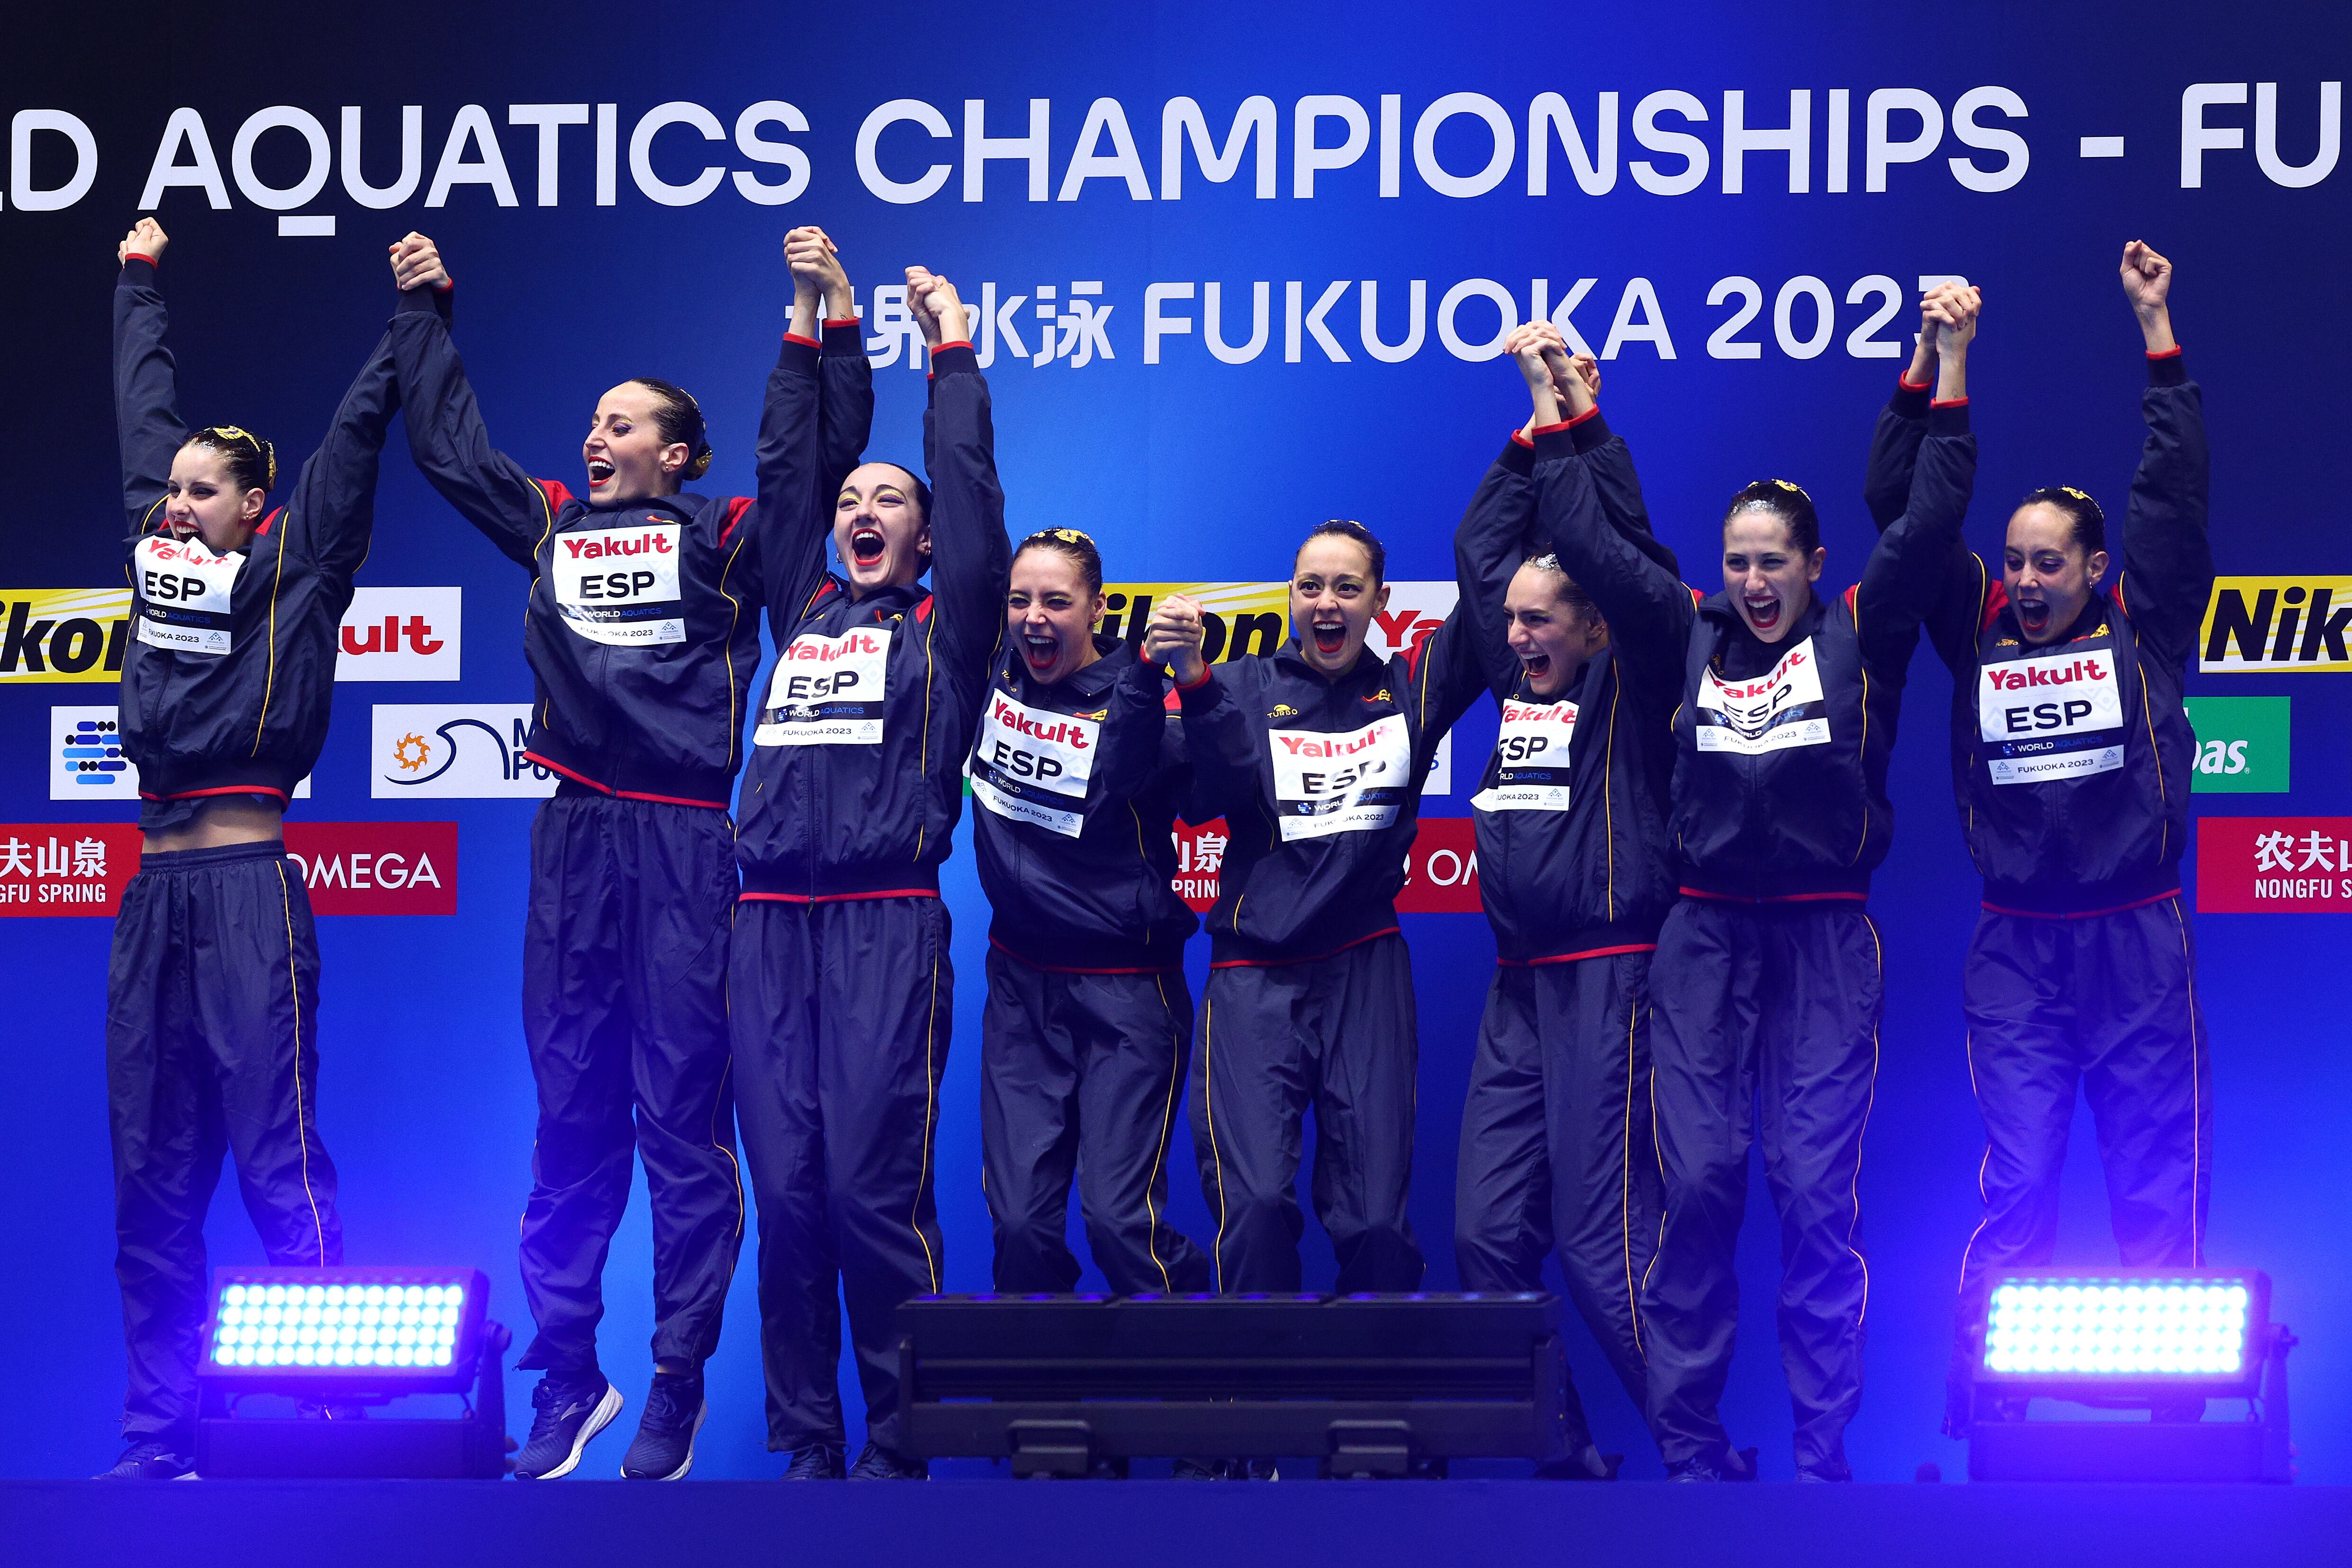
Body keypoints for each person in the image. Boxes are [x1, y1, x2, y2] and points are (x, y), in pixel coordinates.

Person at [384, 225, 867, 1480]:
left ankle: (675, 1379)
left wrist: (813, 327)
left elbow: (812, 458)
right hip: (573, 843)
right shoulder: (549, 522)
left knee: (680, 1126)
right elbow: (446, 448)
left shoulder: (728, 532)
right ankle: (564, 1377)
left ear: (677, 453)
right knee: (568, 1120)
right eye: (591, 422)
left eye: (624, 423)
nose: (595, 437)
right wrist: (429, 314)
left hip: (687, 844)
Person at [1542, 284, 1981, 1481]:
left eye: (1769, 559)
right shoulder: (1683, 632)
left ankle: (1823, 1450)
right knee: (1704, 1185)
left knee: (1809, 1186)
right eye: (1735, 559)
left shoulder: (1858, 628)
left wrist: (1946, 361)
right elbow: (1599, 547)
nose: (1749, 578)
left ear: (1813, 564)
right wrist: (1565, 414)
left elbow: (1933, 515)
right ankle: (1689, 1449)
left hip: (1825, 937)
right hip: (1703, 940)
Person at [1873, 245, 2210, 1436]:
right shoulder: (1977, 628)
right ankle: (1990, 1402)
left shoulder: (2146, 628)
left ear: (2096, 569)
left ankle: (2172, 1415)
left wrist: (2155, 329)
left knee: (2152, 1178)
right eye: (2012, 562)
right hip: (2016, 952)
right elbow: (1902, 525)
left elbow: (2171, 499)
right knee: (2017, 1182)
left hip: (2133, 942)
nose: (2022, 580)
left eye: (2046, 562)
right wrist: (1937, 366)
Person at [100, 217, 410, 1479]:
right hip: (152, 896)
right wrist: (136, 283)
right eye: (167, 489)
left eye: (199, 490)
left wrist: (412, 326)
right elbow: (140, 407)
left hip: (247, 890)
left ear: (253, 508)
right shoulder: (155, 559)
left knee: (278, 1163)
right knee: (151, 1181)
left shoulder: (297, 569)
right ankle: (157, 1433)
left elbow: (351, 447)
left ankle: (327, 1414)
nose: (174, 502)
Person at [729, 266, 1009, 1481]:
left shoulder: (952, 625)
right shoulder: (795, 608)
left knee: (869, 1192)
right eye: (854, 497)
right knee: (787, 1198)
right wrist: (807, 330)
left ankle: (904, 1436)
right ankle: (806, 1437)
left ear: (925, 532)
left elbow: (973, 495)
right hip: (765, 928)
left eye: (888, 497)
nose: (862, 507)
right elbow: (790, 476)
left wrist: (949, 349)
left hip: (884, 925)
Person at [1142, 511, 1497, 1301]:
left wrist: (1540, 443)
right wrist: (1191, 683)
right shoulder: (1233, 684)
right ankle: (1254, 1406)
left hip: (1364, 970)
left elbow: (1487, 592)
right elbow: (1208, 798)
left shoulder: (1409, 688)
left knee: (1375, 1221)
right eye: (1310, 587)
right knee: (1260, 1204)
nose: (1326, 603)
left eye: (1347, 587)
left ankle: (1370, 1405)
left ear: (1382, 600)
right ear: (1291, 596)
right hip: (1253, 977)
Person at [1451, 325, 1679, 1479]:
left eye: (1545, 619)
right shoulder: (1512, 676)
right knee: (1487, 1237)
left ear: (1593, 629)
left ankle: (1695, 1455)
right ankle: (1562, 1447)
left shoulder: (1633, 677)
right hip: (1517, 991)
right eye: (1515, 621)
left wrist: (1584, 423)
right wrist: (1530, 421)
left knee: (1599, 1247)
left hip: (1614, 976)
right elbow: (1479, 546)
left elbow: (1624, 552)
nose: (1522, 634)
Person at [971, 527, 1213, 1298]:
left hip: (1125, 994)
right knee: (1018, 1228)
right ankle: (1046, 1408)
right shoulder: (987, 674)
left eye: (1056, 601)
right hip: (1020, 989)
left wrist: (1153, 671)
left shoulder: (1137, 704)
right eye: (1019, 600)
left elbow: (1130, 763)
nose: (1033, 617)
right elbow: (974, 504)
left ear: (1099, 608)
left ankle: (1201, 1372)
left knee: (1118, 1223)